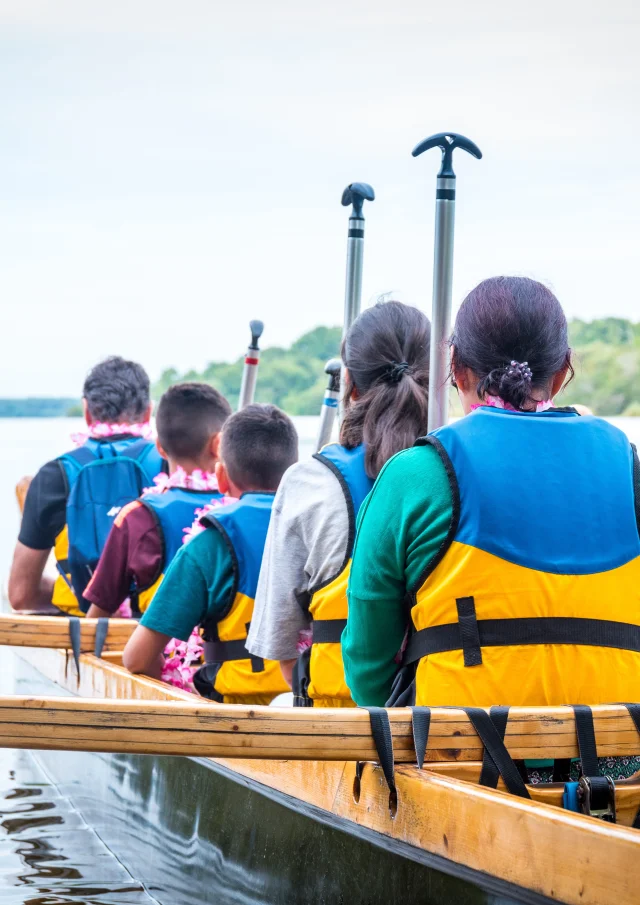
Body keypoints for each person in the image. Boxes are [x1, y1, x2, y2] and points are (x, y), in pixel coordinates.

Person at [343, 276, 640, 714]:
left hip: (463, 762)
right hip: (618, 764)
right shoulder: (628, 464)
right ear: (561, 372)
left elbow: (368, 665)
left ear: (456, 366)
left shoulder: (415, 472)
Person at [246, 300, 431, 707]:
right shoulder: (461, 473)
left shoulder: (308, 481)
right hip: (444, 714)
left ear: (349, 382)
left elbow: (279, 646)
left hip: (343, 718)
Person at [122, 403, 298, 705]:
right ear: (296, 473)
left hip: (234, 712)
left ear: (220, 477)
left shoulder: (209, 542)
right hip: (314, 700)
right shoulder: (323, 525)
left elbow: (136, 659)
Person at [9, 357, 165, 616]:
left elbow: (21, 595)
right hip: (159, 631)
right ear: (149, 412)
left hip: (84, 625)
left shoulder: (53, 475)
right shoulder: (171, 466)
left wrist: (69, 596)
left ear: (86, 411)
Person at [84, 383, 232, 619]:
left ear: (160, 448)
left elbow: (99, 613)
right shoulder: (240, 507)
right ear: (219, 444)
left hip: (156, 653)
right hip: (232, 651)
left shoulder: (136, 516)